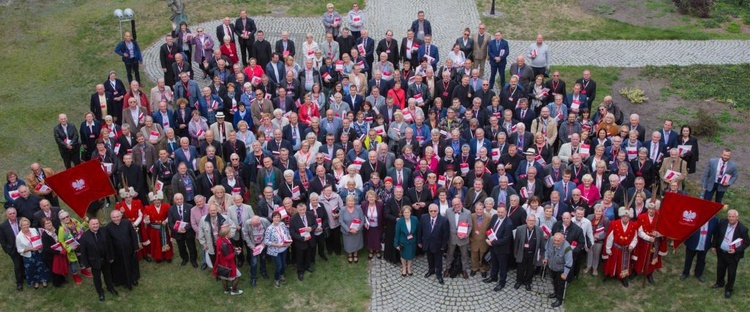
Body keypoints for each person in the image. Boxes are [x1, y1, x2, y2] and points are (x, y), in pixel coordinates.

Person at [711, 209, 750, 298]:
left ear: (737, 217)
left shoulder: (743, 229)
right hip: (721, 252)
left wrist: (736, 250)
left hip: (732, 255)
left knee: (731, 273)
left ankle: (729, 289)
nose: (731, 218)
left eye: (733, 217)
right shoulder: (723, 222)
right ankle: (719, 283)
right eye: (729, 216)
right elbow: (717, 234)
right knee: (720, 268)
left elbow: (746, 243)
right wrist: (714, 245)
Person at [78, 219, 116, 301]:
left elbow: (110, 244)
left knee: (108, 275)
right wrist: (87, 265)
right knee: (97, 278)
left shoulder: (104, 231)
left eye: (97, 223)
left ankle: (110, 288)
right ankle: (100, 293)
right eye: (93, 224)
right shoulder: (84, 237)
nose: (95, 226)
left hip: (105, 259)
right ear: (89, 225)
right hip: (94, 262)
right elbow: (83, 252)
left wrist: (111, 256)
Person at [633, 199, 667, 283]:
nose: (651, 211)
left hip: (654, 244)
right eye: (650, 209)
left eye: (653, 209)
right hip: (643, 243)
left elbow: (664, 231)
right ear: (647, 208)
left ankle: (649, 273)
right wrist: (648, 238)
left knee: (651, 259)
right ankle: (637, 271)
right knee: (640, 257)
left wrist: (658, 234)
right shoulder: (641, 217)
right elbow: (639, 231)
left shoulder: (659, 218)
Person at [603, 207, 638, 287]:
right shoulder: (614, 223)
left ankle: (623, 277)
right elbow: (610, 237)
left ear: (630, 217)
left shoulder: (633, 225)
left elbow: (635, 238)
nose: (625, 218)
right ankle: (609, 274)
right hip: (615, 248)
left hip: (626, 250)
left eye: (627, 216)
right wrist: (608, 249)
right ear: (621, 216)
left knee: (624, 264)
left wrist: (632, 246)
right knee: (612, 262)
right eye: (624, 216)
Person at [105, 210, 140, 290]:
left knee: (132, 264)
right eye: (113, 217)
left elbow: (133, 235)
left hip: (129, 250)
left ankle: (133, 279)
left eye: (117, 217)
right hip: (117, 252)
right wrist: (111, 254)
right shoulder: (108, 227)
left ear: (120, 216)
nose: (116, 219)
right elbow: (109, 242)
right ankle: (123, 281)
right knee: (120, 267)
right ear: (111, 218)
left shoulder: (127, 223)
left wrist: (136, 247)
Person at [15, 217, 50, 289]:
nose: (26, 226)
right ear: (20, 226)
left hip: (38, 252)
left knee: (42, 266)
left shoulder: (33, 230)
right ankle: (35, 282)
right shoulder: (19, 237)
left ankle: (44, 279)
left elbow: (38, 239)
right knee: (31, 268)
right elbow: (19, 250)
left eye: (27, 224)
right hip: (29, 255)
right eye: (24, 225)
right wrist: (30, 248)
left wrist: (40, 245)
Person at [419, 204, 449, 284]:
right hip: (427, 243)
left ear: (438, 211)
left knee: (438, 260)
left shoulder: (443, 220)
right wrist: (419, 241)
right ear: (428, 211)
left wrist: (443, 246)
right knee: (429, 258)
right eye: (431, 211)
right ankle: (431, 270)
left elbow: (445, 235)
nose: (433, 212)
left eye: (435, 211)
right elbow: (420, 230)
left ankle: (439, 274)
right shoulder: (423, 217)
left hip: (438, 245)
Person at [514, 214, 544, 291]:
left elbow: (541, 244)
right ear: (526, 221)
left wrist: (541, 255)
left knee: (530, 269)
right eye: (530, 220)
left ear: (535, 222)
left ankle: (527, 282)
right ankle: (519, 281)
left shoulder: (539, 230)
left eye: (533, 221)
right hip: (522, 252)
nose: (531, 222)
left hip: (533, 253)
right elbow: (516, 242)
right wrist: (516, 253)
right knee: (520, 268)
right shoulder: (520, 229)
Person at [168, 193, 199, 268]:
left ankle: (193, 259)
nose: (179, 201)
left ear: (183, 199)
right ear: (174, 200)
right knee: (181, 247)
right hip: (178, 232)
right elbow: (170, 222)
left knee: (191, 246)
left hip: (188, 231)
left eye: (180, 199)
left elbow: (192, 221)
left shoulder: (190, 207)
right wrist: (177, 229)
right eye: (177, 199)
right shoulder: (171, 209)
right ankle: (184, 258)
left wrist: (185, 228)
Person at [543, 233, 572, 308]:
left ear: (563, 240)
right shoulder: (550, 240)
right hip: (552, 266)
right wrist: (545, 258)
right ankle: (555, 293)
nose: (555, 242)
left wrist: (565, 273)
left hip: (561, 269)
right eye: (555, 240)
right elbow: (546, 249)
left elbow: (569, 262)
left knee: (560, 284)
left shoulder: (567, 248)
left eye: (558, 241)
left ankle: (559, 299)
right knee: (554, 281)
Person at [143, 191, 173, 263]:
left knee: (166, 241)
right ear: (152, 201)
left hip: (164, 227)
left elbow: (170, 216)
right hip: (154, 229)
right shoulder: (147, 208)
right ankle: (158, 257)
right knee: (156, 243)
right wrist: (146, 220)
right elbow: (145, 220)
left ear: (161, 200)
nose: (157, 201)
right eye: (155, 200)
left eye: (158, 200)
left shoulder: (166, 206)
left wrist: (166, 221)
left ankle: (167, 256)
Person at [445, 198, 472, 279]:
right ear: (452, 205)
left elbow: (470, 226)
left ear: (461, 203)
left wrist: (466, 235)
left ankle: (464, 270)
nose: (456, 206)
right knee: (449, 254)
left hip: (463, 239)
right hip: (452, 238)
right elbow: (446, 224)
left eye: (458, 204)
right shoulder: (448, 211)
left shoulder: (468, 213)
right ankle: (447, 268)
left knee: (464, 255)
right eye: (454, 205)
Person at [264, 211, 291, 288]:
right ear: (272, 218)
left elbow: (287, 233)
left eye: (278, 217)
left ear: (280, 218)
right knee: (278, 266)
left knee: (283, 264)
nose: (276, 219)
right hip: (275, 250)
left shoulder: (282, 224)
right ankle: (276, 279)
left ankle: (281, 275)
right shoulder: (269, 228)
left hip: (284, 248)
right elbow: (266, 241)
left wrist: (289, 240)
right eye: (275, 217)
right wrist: (277, 245)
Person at [290, 203, 317, 281]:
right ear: (297, 210)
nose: (302, 211)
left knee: (308, 254)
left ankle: (307, 266)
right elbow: (292, 232)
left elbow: (315, 224)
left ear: (306, 208)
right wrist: (300, 238)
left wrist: (311, 228)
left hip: (310, 240)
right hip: (300, 242)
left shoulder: (310, 214)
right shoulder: (293, 218)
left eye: (303, 209)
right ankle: (300, 271)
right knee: (300, 257)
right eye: (300, 210)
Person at [214, 225, 243, 295]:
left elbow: (228, 249)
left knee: (224, 277)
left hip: (221, 263)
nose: (231, 233)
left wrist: (234, 248)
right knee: (237, 276)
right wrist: (236, 253)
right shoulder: (224, 244)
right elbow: (227, 256)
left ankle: (226, 290)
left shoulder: (220, 239)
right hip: (228, 264)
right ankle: (234, 291)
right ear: (226, 234)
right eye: (230, 232)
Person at [242, 216, 270, 286]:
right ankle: (253, 277)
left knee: (263, 258)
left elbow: (269, 231)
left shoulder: (265, 221)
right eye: (252, 224)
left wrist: (264, 242)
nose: (253, 226)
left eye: (254, 225)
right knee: (254, 262)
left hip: (262, 244)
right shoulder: (248, 223)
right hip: (253, 245)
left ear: (259, 222)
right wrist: (251, 246)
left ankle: (263, 271)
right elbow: (245, 235)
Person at [39, 217, 66, 287]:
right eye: (46, 223)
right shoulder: (45, 235)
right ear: (43, 226)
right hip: (50, 256)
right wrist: (58, 252)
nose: (49, 224)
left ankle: (62, 279)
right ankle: (57, 284)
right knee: (54, 270)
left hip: (57, 253)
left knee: (59, 267)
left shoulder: (55, 230)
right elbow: (47, 249)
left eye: (49, 222)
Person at [585, 204, 610, 276]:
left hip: (599, 240)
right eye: (596, 211)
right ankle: (588, 266)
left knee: (596, 254)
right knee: (589, 253)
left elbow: (606, 231)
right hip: (590, 239)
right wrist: (591, 237)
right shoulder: (589, 217)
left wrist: (599, 237)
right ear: (594, 211)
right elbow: (586, 228)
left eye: (600, 211)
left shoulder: (606, 220)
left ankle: (595, 268)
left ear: (602, 212)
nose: (598, 213)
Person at [394, 205, 419, 277]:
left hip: (412, 242)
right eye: (405, 212)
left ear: (410, 213)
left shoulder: (415, 219)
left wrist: (418, 241)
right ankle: (404, 268)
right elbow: (397, 233)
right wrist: (396, 244)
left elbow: (418, 230)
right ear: (402, 213)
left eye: (408, 212)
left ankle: (409, 268)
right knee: (403, 256)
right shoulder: (400, 221)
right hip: (403, 242)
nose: (407, 214)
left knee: (410, 256)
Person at [340, 194, 365, 263]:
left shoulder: (359, 208)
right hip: (347, 231)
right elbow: (341, 221)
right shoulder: (342, 210)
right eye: (349, 201)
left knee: (356, 242)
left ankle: (355, 254)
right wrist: (348, 229)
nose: (350, 202)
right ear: (346, 202)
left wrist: (357, 228)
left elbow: (362, 219)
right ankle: (350, 254)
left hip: (357, 230)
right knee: (348, 243)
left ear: (354, 201)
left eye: (352, 201)